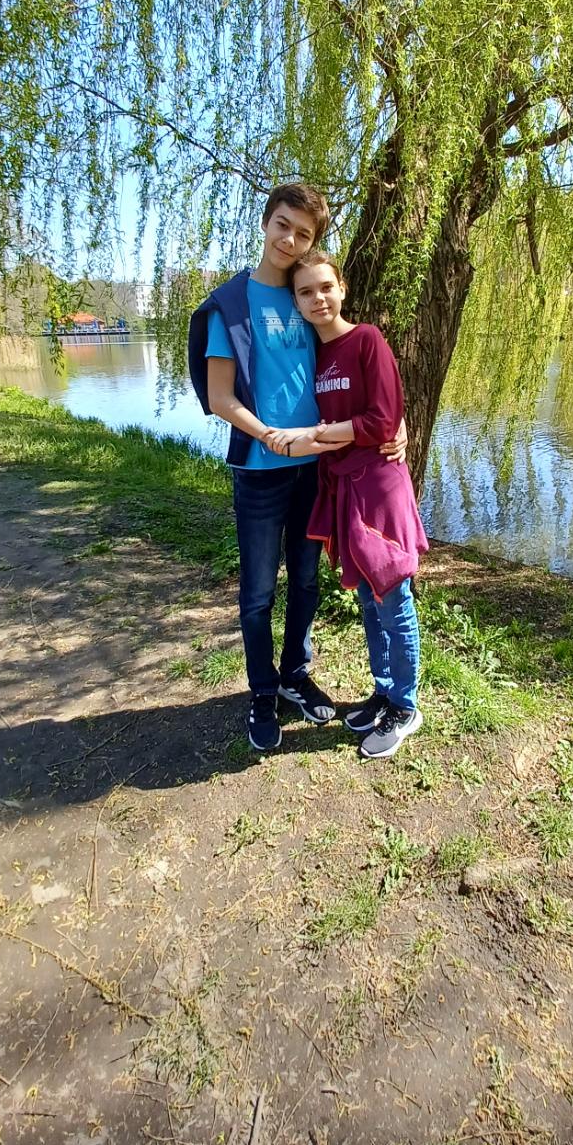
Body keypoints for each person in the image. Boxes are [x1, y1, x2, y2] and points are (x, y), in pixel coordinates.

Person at [187, 184, 405, 754]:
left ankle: (294, 674)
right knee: (259, 592)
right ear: (266, 222)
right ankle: (262, 692)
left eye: (303, 233)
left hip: (319, 471)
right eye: (283, 225)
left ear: (313, 242)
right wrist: (270, 438)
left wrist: (393, 423)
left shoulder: (308, 294)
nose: (289, 239)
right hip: (261, 471)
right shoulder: (231, 304)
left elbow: (355, 365)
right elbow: (219, 397)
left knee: (306, 581)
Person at [279, 249, 428, 761]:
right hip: (343, 488)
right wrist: (333, 436)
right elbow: (364, 423)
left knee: (393, 596)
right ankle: (384, 691)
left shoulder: (367, 340)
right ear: (296, 302)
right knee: (368, 598)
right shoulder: (314, 357)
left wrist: (321, 434)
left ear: (342, 288)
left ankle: (406, 706)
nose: (318, 298)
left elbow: (384, 420)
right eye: (305, 291)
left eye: (326, 287)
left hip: (380, 488)